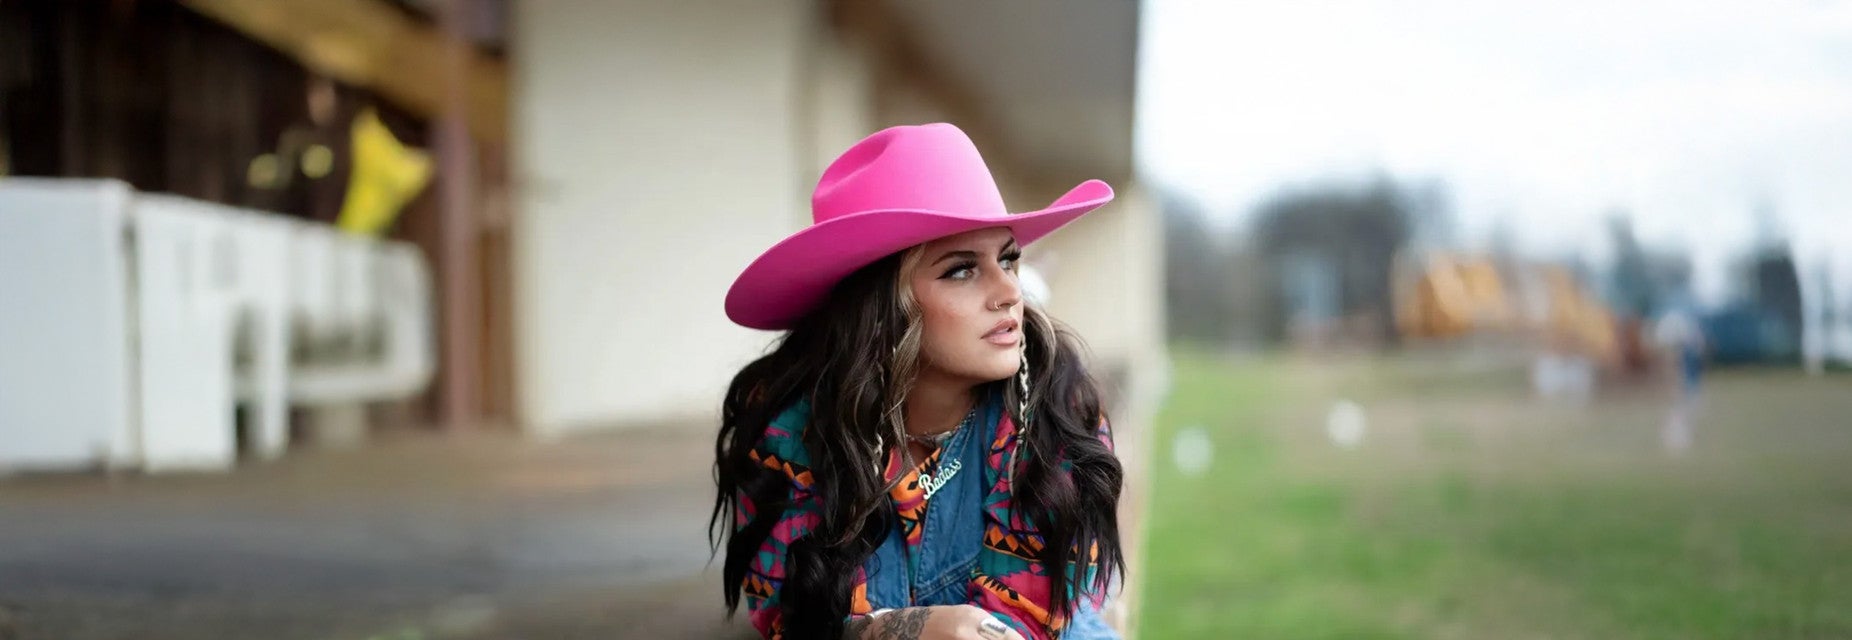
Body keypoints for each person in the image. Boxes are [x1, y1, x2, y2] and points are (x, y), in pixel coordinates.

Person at [711, 123, 1126, 640]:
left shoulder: (1054, 417)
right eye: (961, 270)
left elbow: (1028, 623)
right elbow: (786, 617)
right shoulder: (793, 428)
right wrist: (910, 629)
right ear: (879, 307)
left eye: (1007, 260)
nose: (1009, 292)